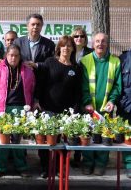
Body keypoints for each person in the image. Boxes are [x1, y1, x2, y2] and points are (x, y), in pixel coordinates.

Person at [0, 44, 36, 178]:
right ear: (6, 55)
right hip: (2, 109)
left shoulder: (28, 71)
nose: (13, 58)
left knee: (19, 141)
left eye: (16, 55)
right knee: (2, 141)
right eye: (11, 55)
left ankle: (21, 166)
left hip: (21, 109)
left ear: (20, 57)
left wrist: (31, 107)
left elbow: (32, 90)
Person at [14, 14, 55, 177]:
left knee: (41, 129)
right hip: (21, 90)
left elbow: (53, 64)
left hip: (41, 91)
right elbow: (11, 60)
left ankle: (45, 166)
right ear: (27, 26)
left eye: (38, 24)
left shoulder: (49, 44)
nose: (35, 27)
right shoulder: (18, 42)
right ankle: (21, 164)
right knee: (20, 127)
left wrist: (37, 65)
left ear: (42, 26)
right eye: (32, 24)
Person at [36, 36, 82, 177]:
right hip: (48, 108)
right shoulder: (49, 62)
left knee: (62, 143)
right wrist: (37, 100)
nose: (66, 48)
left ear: (73, 49)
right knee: (46, 141)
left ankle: (58, 166)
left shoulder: (77, 68)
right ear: (59, 48)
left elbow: (78, 92)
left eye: (69, 46)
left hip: (66, 112)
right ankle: (45, 167)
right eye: (63, 45)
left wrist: (74, 110)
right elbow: (40, 83)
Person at [81, 32, 122, 176]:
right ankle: (87, 163)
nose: (100, 44)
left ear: (107, 44)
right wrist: (86, 102)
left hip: (106, 108)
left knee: (105, 137)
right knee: (87, 135)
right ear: (93, 43)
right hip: (88, 109)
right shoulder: (85, 61)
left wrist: (112, 100)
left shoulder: (115, 62)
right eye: (97, 41)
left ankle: (100, 164)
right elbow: (82, 84)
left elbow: (117, 85)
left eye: (103, 41)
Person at [70, 27, 93, 167]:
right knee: (72, 124)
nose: (79, 38)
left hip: (86, 93)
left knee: (84, 125)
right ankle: (71, 154)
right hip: (70, 94)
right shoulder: (69, 52)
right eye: (76, 36)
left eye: (82, 36)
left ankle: (80, 156)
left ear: (85, 39)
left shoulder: (90, 53)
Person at [117, 49, 131, 178]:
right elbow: (117, 83)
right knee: (128, 138)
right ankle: (129, 166)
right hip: (126, 106)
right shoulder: (123, 58)